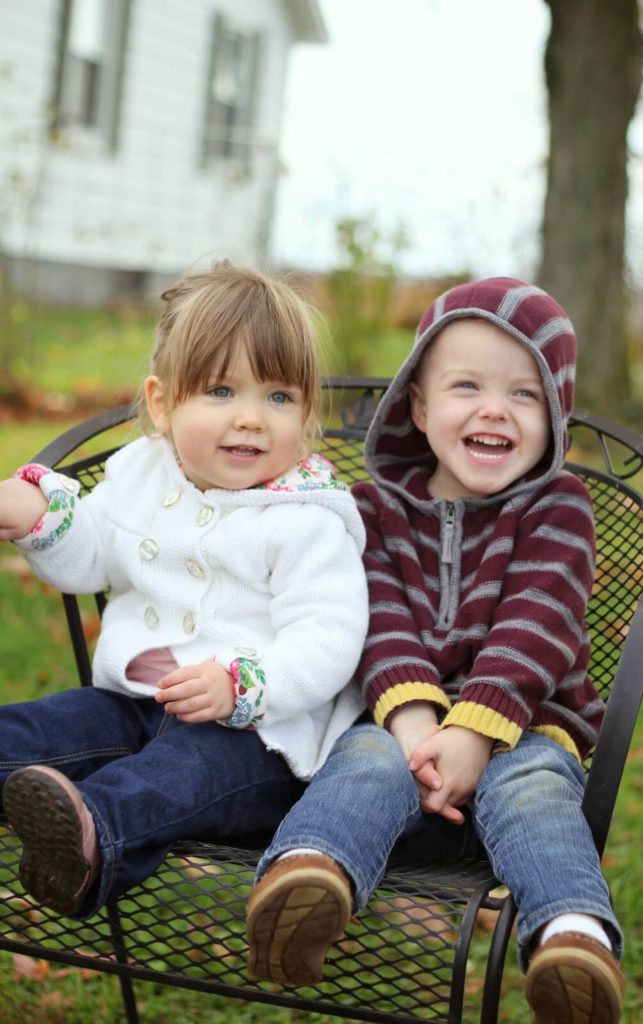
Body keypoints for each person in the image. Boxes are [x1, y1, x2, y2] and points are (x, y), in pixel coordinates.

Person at [245, 277, 625, 1024]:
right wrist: (417, 722)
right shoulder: (372, 511)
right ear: (418, 408)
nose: (494, 409)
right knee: (361, 762)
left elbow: (537, 625)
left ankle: (570, 937)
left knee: (538, 792)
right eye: (467, 386)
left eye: (524, 396)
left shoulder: (559, 509)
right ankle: (309, 877)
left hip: (527, 731)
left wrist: (475, 730)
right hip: (402, 735)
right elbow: (374, 617)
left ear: (553, 422)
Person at [0, 261, 369, 920]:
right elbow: (93, 557)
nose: (252, 419)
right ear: (164, 402)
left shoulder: (308, 518)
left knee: (173, 778)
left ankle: (89, 838)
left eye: (279, 397)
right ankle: (37, 792)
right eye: (222, 391)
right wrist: (42, 517)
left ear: (306, 411)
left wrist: (243, 682)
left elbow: (330, 636)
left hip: (253, 740)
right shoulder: (144, 472)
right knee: (46, 728)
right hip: (133, 704)